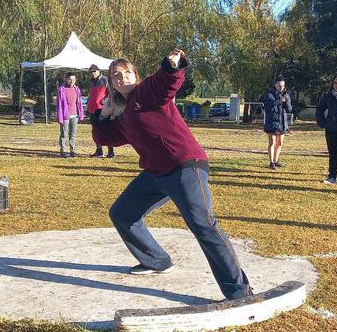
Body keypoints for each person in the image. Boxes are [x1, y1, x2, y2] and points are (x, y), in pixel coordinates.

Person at [90, 49, 252, 300]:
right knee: (123, 213)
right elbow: (104, 138)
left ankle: (239, 292)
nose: (120, 78)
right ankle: (157, 261)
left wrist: (171, 65)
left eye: (125, 73)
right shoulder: (125, 115)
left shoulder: (147, 93)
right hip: (155, 173)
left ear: (135, 75)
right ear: (111, 83)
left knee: (203, 225)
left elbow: (168, 82)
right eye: (115, 75)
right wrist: (104, 114)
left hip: (185, 166)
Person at [261, 76, 292, 170]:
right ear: (275, 85)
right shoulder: (270, 95)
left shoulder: (286, 95)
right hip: (272, 122)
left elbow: (290, 109)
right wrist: (279, 101)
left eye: (282, 86)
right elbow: (268, 108)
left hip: (282, 122)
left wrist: (286, 102)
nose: (281, 88)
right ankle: (271, 162)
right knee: (272, 142)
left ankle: (276, 160)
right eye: (279, 86)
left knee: (280, 143)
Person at [87, 64, 113, 157]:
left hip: (103, 110)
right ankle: (99, 151)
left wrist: (104, 101)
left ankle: (111, 152)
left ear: (98, 71)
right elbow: (91, 94)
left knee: (107, 130)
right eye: (91, 72)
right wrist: (88, 104)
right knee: (96, 131)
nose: (93, 73)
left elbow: (111, 93)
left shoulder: (105, 80)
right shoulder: (91, 82)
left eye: (94, 71)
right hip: (93, 110)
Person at [57, 73, 84, 157]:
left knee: (72, 134)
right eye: (70, 79)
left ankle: (72, 151)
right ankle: (63, 151)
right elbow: (59, 104)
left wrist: (81, 113)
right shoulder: (61, 89)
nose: (72, 81)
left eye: (74, 79)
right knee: (64, 134)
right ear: (66, 79)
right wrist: (60, 116)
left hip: (75, 115)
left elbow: (79, 103)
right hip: (65, 115)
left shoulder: (77, 89)